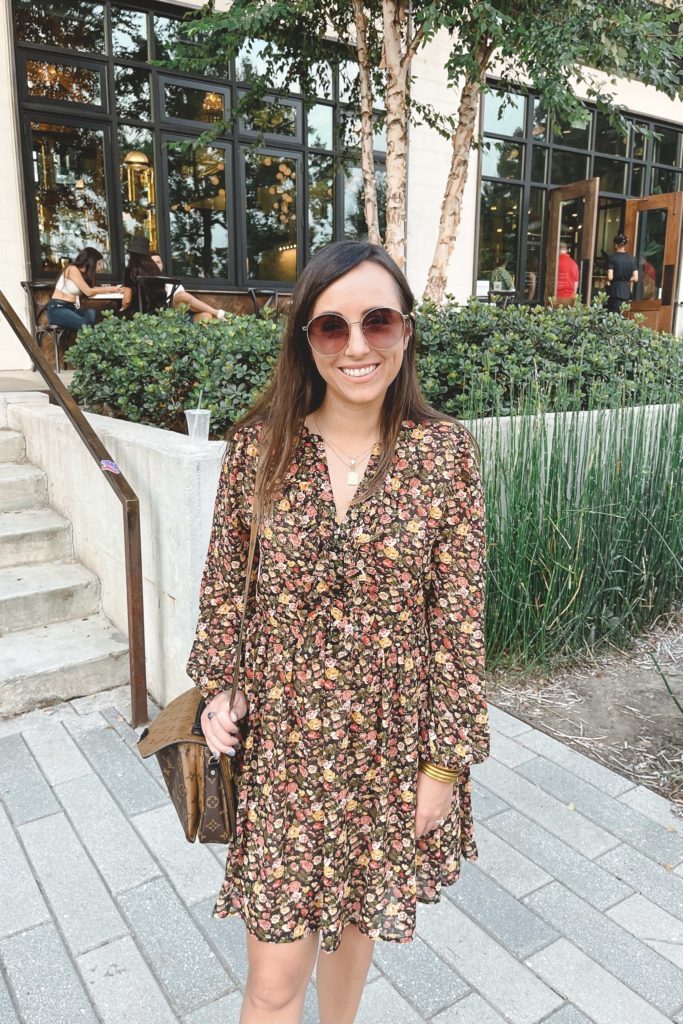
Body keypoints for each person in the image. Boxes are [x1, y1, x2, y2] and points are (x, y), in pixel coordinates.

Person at [185, 240, 489, 1024]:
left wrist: (444, 767)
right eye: (331, 327)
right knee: (273, 984)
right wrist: (223, 685)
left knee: (350, 959)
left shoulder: (445, 454)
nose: (357, 347)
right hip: (285, 748)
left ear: (406, 332)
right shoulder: (258, 448)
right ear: (305, 339)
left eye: (377, 321)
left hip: (389, 748)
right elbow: (227, 587)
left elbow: (457, 624)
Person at [47, 247, 122, 330]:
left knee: (91, 314)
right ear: (91, 262)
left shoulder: (83, 274)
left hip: (71, 308)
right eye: (99, 264)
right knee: (86, 326)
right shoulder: (72, 269)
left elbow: (90, 290)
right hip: (58, 309)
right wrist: (110, 289)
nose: (100, 267)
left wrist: (110, 291)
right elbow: (88, 292)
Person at [149, 251, 227, 322]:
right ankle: (219, 314)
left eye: (158, 262)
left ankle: (219, 319)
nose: (156, 265)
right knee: (181, 295)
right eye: (153, 262)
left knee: (206, 316)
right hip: (162, 318)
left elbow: (186, 306)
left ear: (162, 265)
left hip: (180, 317)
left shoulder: (173, 284)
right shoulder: (144, 282)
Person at [606, 233, 638, 314]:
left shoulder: (612, 258)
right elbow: (636, 278)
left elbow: (610, 276)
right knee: (624, 315)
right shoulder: (632, 259)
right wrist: (627, 278)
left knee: (613, 315)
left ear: (616, 245)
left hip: (615, 290)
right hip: (626, 291)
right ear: (625, 245)